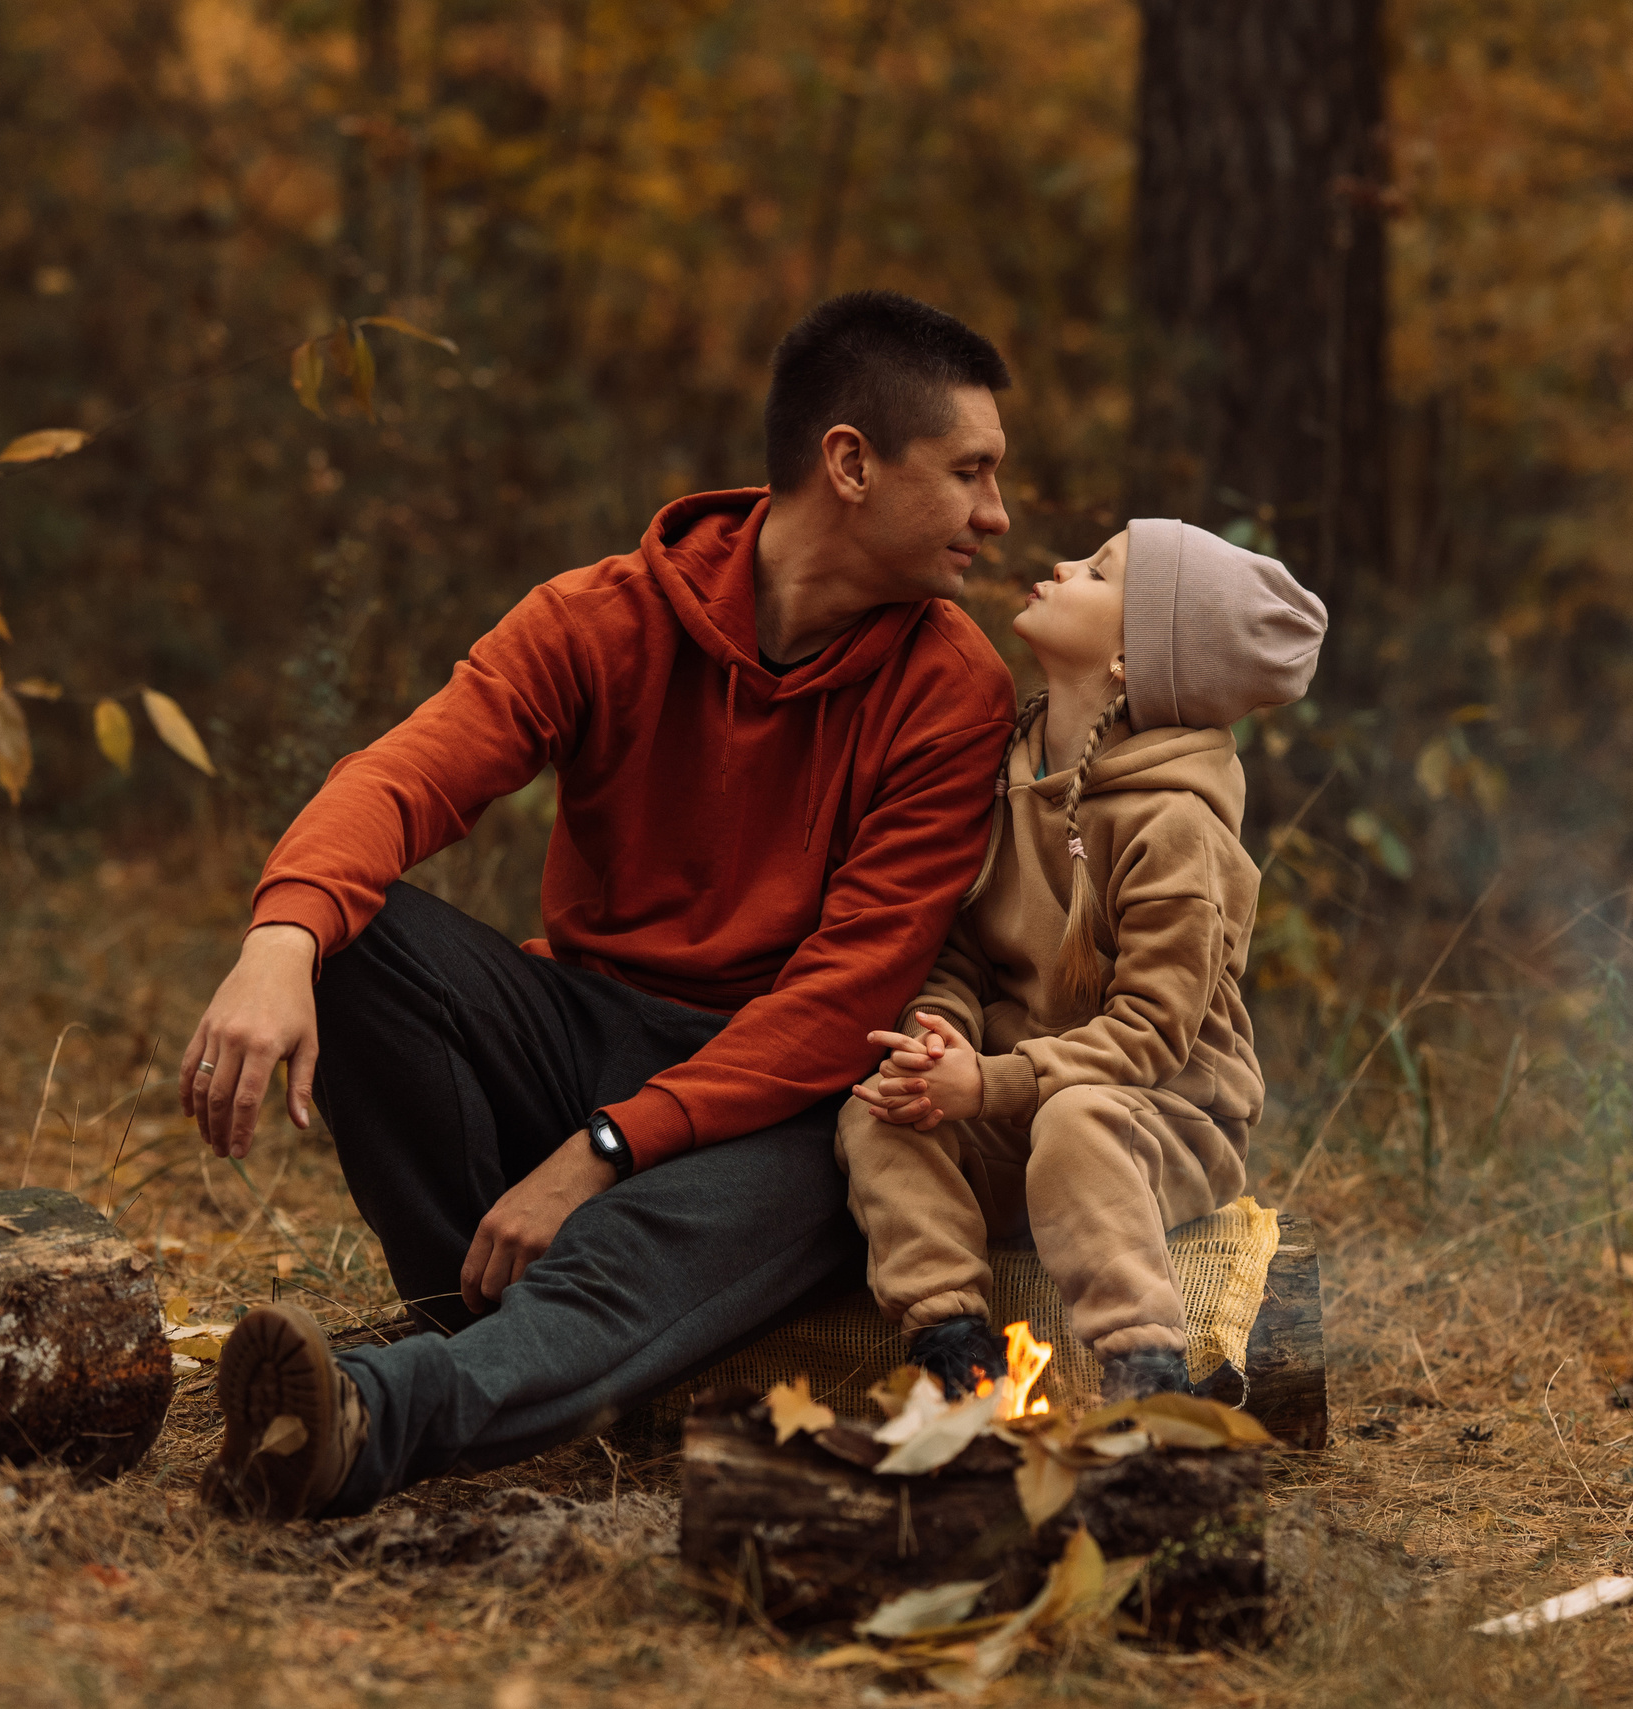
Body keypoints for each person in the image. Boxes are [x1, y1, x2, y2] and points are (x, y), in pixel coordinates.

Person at [178, 291, 1020, 1520]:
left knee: (726, 1205)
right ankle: (500, 1331)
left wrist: (609, 1147)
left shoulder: (954, 688)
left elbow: (850, 995)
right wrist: (280, 941)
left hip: (779, 1101)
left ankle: (368, 1418)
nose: (995, 517)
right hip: (583, 1027)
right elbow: (402, 776)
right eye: (969, 473)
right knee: (365, 945)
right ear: (850, 462)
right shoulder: (601, 616)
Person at [839, 520, 1325, 1403]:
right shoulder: (1008, 771)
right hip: (1016, 1104)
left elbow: (1150, 1036)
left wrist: (990, 1084)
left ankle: (1148, 1372)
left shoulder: (1176, 826)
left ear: (1130, 663)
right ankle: (956, 1351)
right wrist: (938, 1037)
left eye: (1099, 573)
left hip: (1161, 1122)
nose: (1064, 565)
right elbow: (960, 953)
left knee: (1078, 1122)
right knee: (876, 1114)